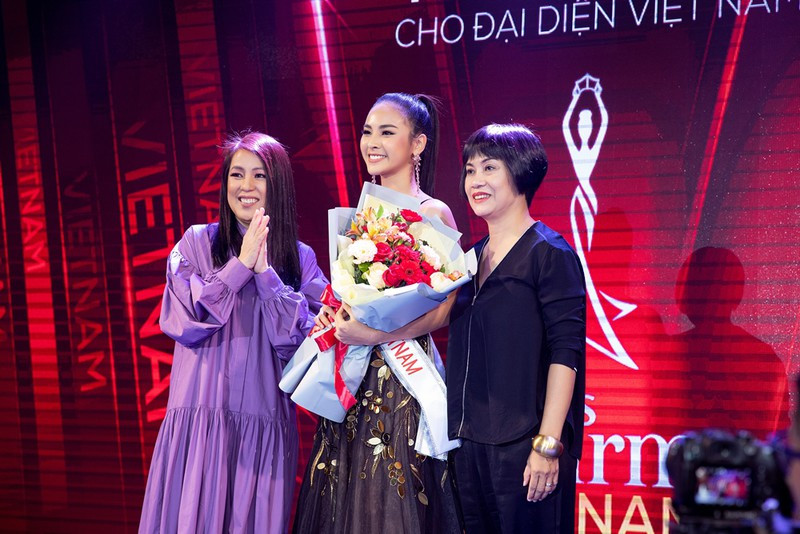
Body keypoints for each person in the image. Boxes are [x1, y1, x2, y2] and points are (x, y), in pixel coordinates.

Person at [334, 123, 586, 532]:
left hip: (525, 444)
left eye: (489, 168)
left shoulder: (549, 253)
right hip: (468, 445)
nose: (476, 180)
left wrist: (548, 443)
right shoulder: (468, 260)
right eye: (470, 170)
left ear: (522, 172)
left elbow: (566, 352)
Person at [139, 132, 327, 533]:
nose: (246, 186)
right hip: (199, 423)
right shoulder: (196, 243)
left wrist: (266, 275)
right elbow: (184, 319)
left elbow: (308, 345)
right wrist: (240, 266)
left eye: (259, 176)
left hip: (263, 430)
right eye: (236, 174)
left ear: (277, 184)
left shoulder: (301, 259)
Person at [291, 93, 460, 534]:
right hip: (354, 374)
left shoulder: (432, 211)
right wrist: (331, 316)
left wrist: (377, 336)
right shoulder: (363, 213)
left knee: (391, 495)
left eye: (387, 132)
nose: (373, 142)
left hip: (402, 381)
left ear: (418, 143)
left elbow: (446, 308)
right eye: (368, 132)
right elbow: (350, 295)